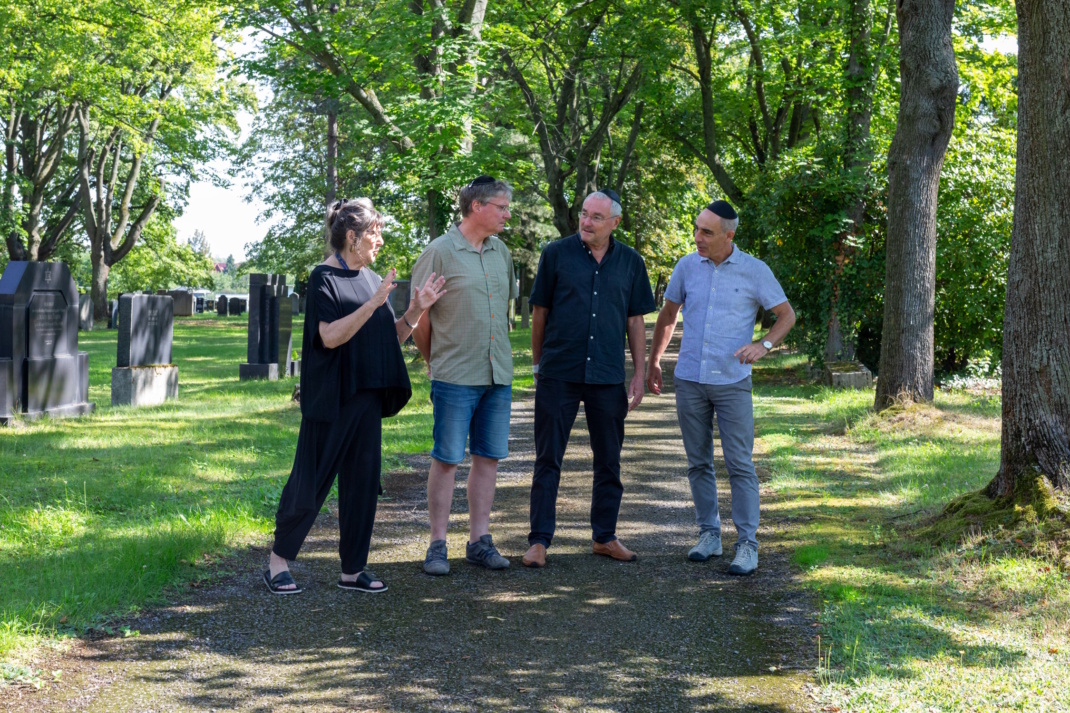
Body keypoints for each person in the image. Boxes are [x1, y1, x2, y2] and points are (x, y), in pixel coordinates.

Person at [264, 198, 446, 594]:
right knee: (310, 482)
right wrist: (374, 302)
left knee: (362, 484)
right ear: (352, 236)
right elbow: (329, 337)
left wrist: (415, 310)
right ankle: (278, 562)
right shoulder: (323, 278)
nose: (379, 240)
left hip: (365, 398)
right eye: (374, 233)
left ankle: (352, 569)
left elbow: (387, 339)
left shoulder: (370, 278)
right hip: (330, 399)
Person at [646, 200, 795, 576]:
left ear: (729, 236)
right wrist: (654, 360)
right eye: (696, 229)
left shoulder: (754, 270)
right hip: (690, 379)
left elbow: (786, 315)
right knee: (698, 462)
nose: (698, 237)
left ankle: (747, 544)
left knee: (739, 464)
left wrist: (764, 345)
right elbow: (668, 314)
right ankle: (709, 535)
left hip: (732, 382)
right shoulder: (686, 266)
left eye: (707, 232)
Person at [521, 188, 656, 569]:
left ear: (614, 223)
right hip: (558, 372)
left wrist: (639, 374)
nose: (586, 221)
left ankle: (605, 536)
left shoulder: (631, 262)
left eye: (596, 217)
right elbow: (540, 313)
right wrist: (537, 366)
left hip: (607, 375)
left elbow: (635, 320)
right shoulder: (556, 254)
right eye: (583, 213)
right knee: (548, 459)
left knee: (609, 461)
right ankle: (539, 541)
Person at [410, 176, 518, 576]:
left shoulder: (500, 252)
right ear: (477, 207)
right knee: (447, 459)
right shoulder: (439, 251)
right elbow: (418, 316)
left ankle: (479, 541)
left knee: (488, 458)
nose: (508, 214)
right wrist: (433, 359)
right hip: (455, 375)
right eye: (502, 207)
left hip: (497, 373)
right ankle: (437, 544)